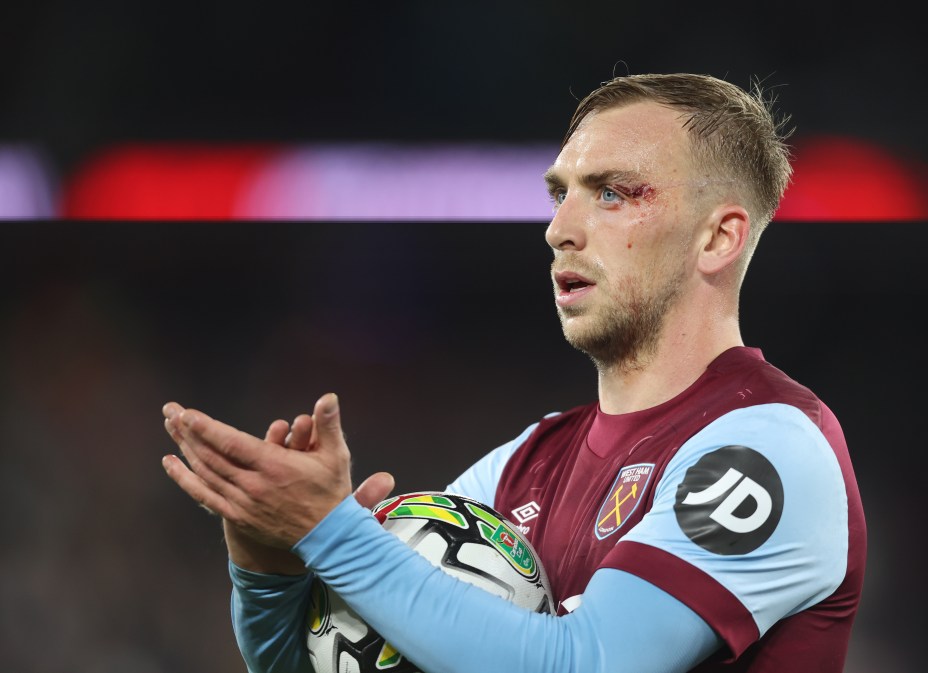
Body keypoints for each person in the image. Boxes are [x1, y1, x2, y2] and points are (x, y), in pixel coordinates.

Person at [162, 72, 867, 673]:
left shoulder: (771, 448)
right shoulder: (524, 466)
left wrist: (334, 532)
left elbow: (590, 662)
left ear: (719, 236)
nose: (560, 227)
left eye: (614, 192)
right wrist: (269, 567)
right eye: (560, 192)